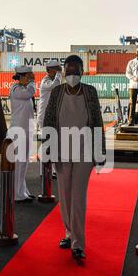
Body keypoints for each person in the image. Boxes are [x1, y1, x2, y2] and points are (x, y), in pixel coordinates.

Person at [43, 55, 106, 262]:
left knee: (78, 196)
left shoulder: (90, 92)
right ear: (64, 72)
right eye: (68, 72)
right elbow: (49, 121)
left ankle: (78, 243)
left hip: (84, 152)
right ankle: (69, 233)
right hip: (61, 150)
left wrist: (100, 151)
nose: (72, 76)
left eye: (75, 72)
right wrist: (47, 151)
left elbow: (97, 120)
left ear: (82, 72)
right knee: (65, 195)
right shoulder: (57, 92)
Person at [8, 66, 36, 204]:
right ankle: (17, 194)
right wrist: (32, 82)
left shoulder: (23, 89)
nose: (31, 78)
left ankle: (22, 190)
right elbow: (29, 92)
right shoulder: (16, 89)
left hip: (25, 130)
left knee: (23, 162)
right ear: (21, 77)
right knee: (19, 163)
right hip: (19, 131)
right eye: (29, 76)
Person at [37, 60, 62, 178]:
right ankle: (44, 170)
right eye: (57, 69)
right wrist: (59, 74)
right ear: (50, 70)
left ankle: (52, 170)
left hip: (52, 117)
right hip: (45, 117)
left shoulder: (53, 80)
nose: (59, 71)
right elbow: (55, 86)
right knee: (47, 145)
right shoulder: (45, 81)